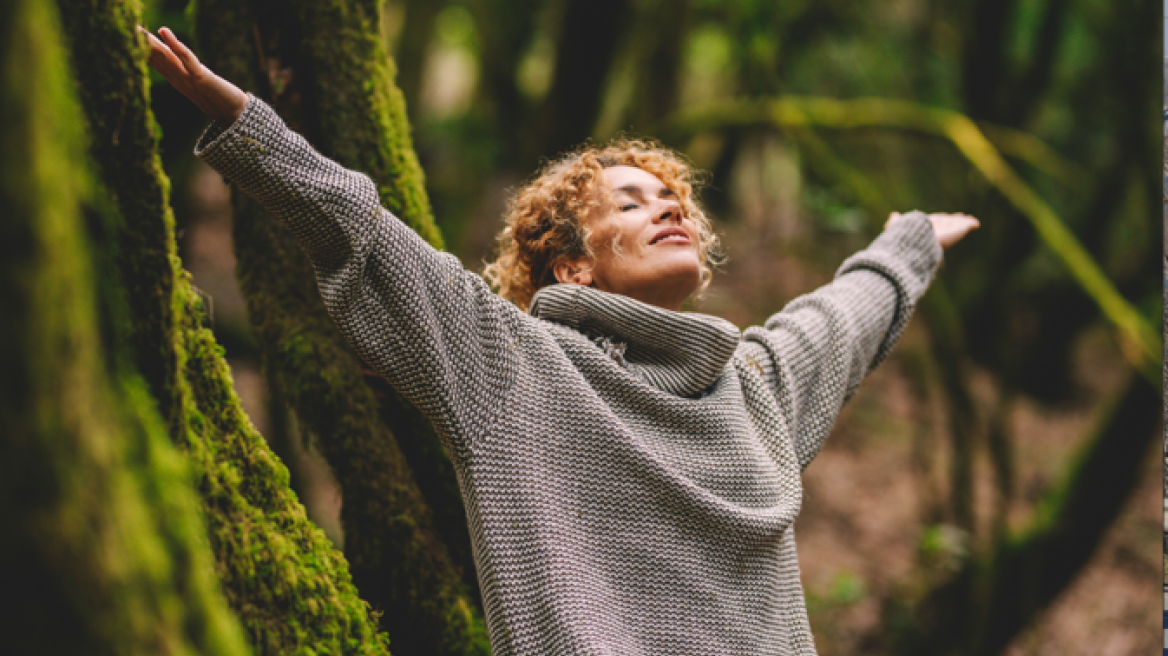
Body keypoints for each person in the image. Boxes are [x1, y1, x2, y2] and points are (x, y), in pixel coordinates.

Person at [143, 26, 978, 656]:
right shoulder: (512, 370)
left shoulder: (753, 390)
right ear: (572, 266)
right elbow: (373, 240)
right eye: (630, 200)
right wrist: (252, 127)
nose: (669, 207)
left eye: (673, 198)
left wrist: (908, 245)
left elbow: (835, 320)